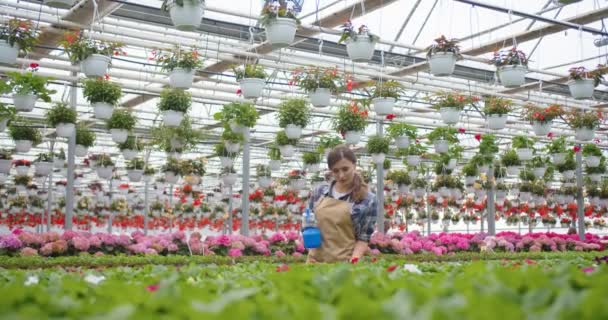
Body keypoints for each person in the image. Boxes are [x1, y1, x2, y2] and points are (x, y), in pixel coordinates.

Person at [307, 145, 378, 263]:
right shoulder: (319, 192)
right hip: (314, 263)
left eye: (345, 169)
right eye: (335, 171)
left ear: (354, 165)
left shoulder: (367, 199)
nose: (341, 175)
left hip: (344, 266)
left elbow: (363, 239)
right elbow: (309, 224)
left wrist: (352, 263)